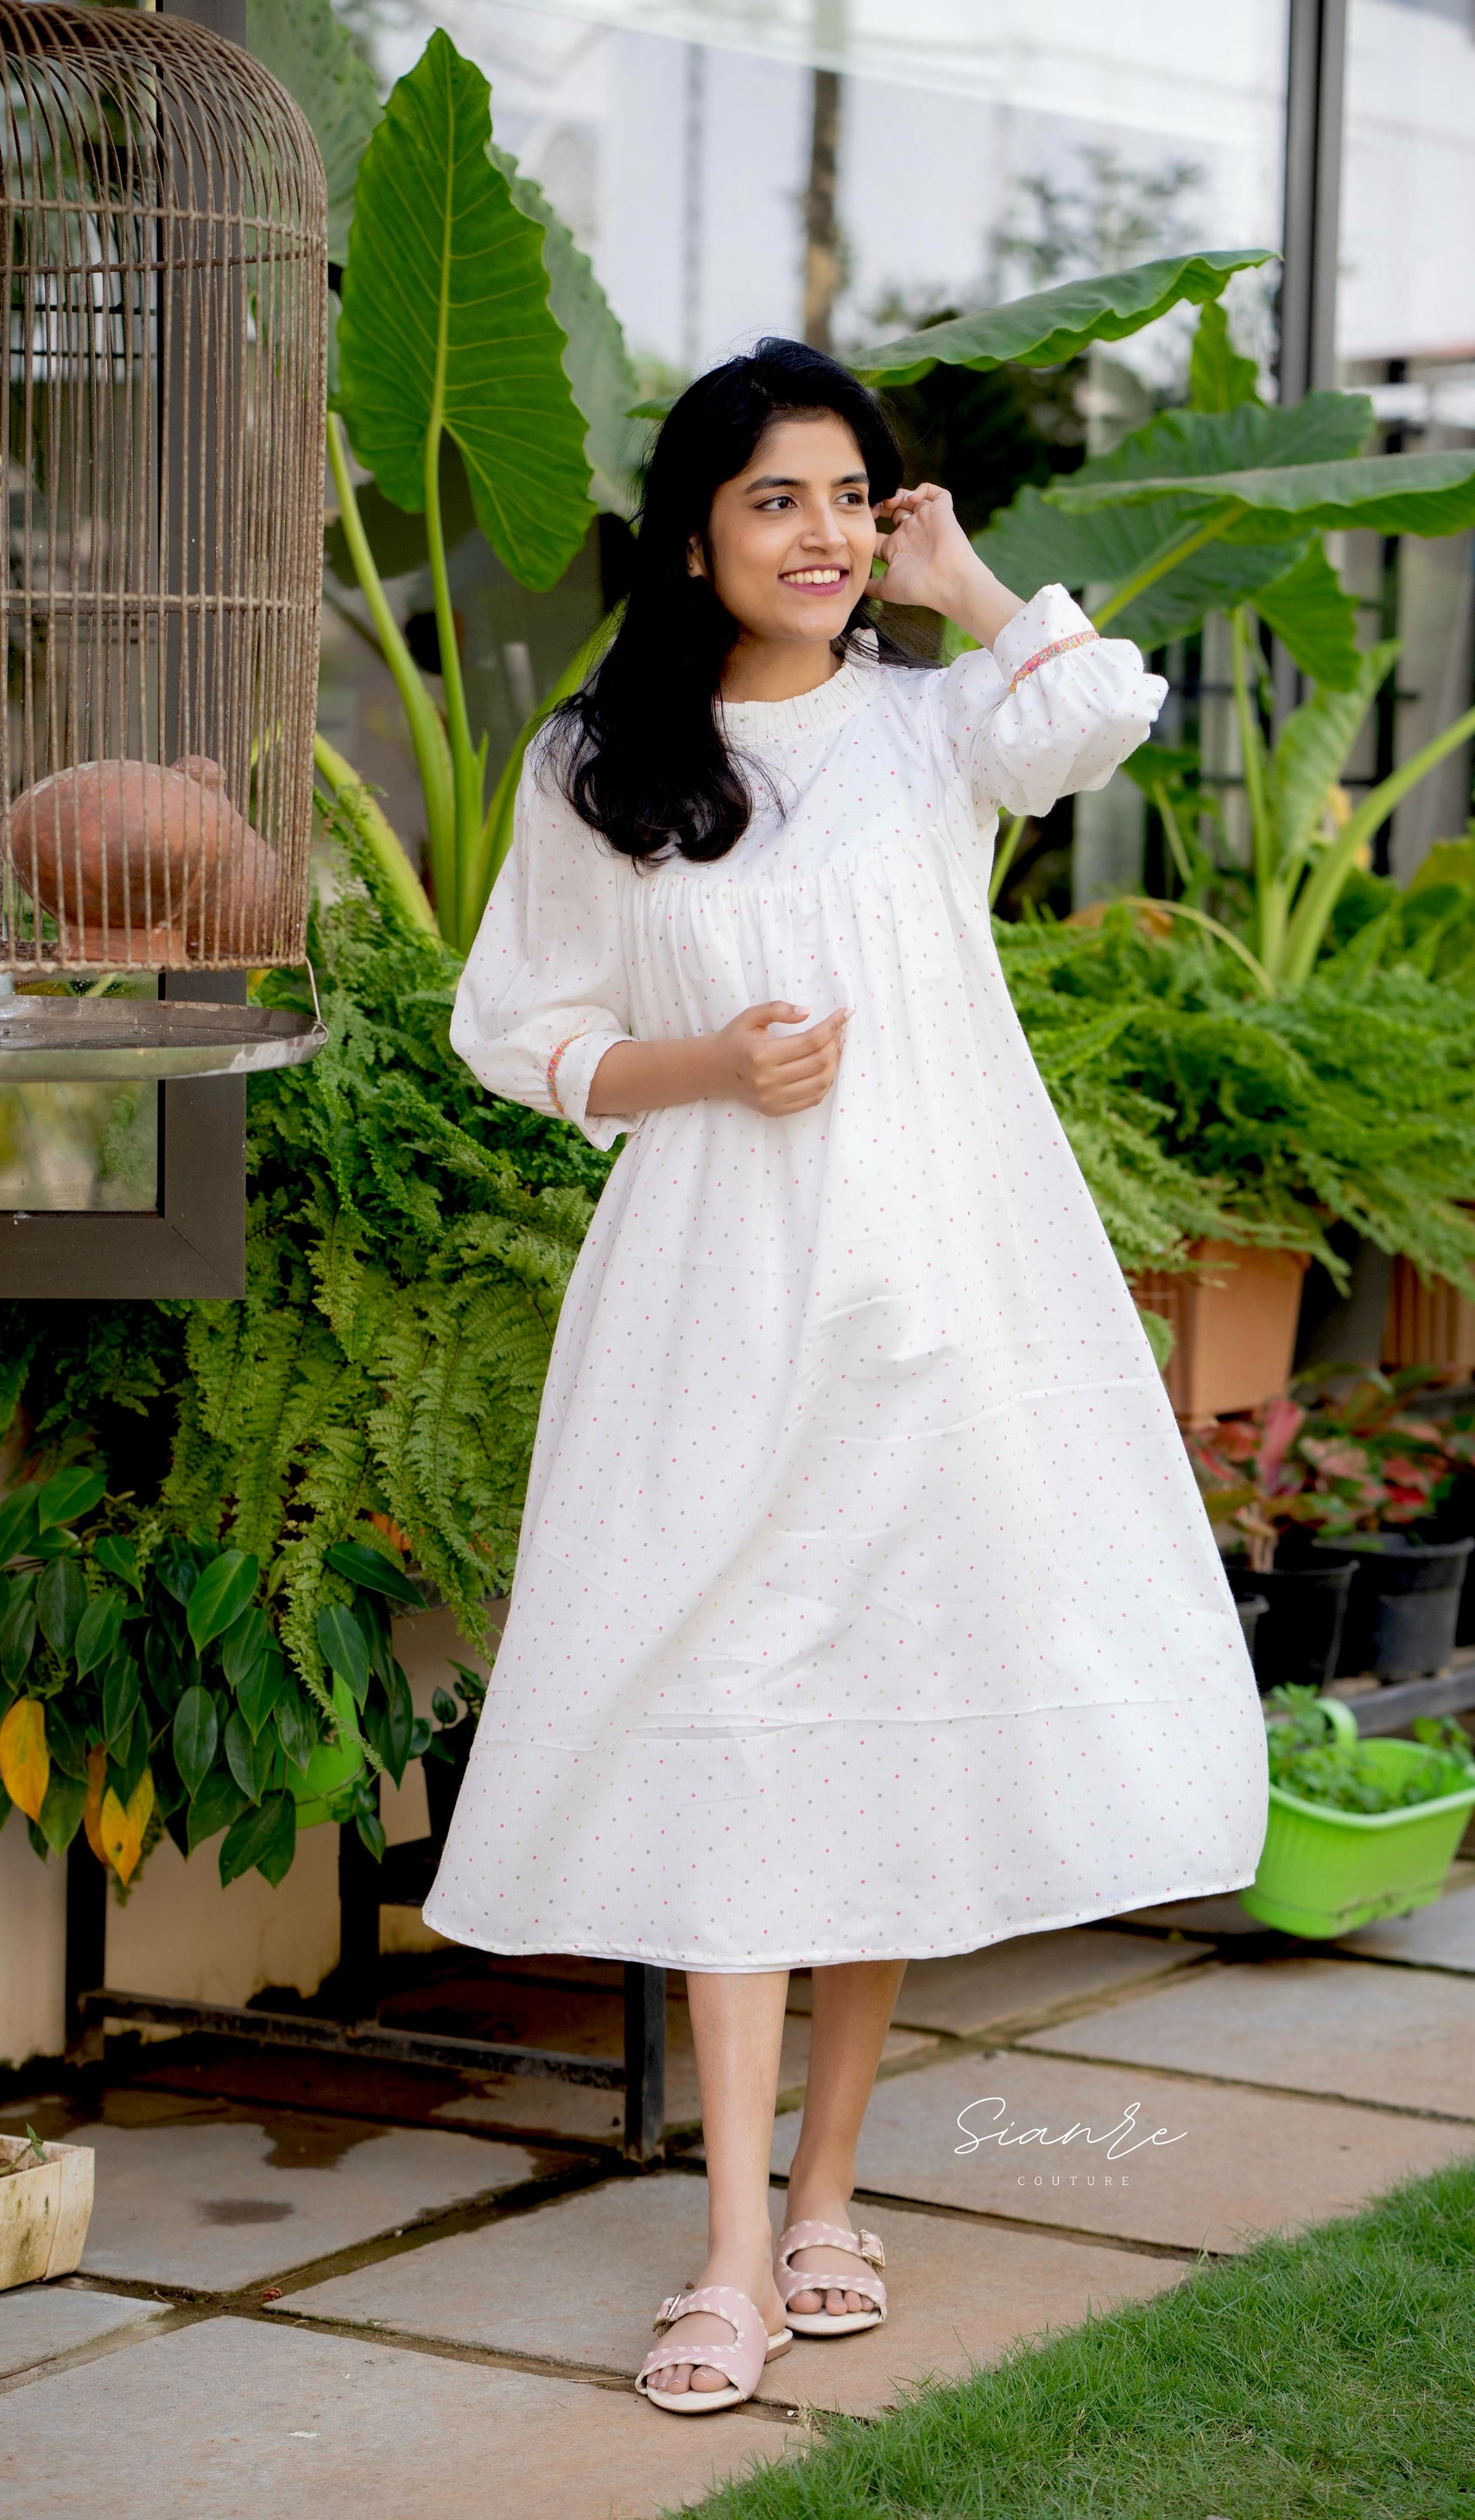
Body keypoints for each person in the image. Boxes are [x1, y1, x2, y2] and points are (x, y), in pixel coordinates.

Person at [421, 337, 1267, 2416]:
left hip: (940, 1286)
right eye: (770, 499)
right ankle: (724, 2243)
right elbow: (513, 1027)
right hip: (712, 1292)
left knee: (877, 1717)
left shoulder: (929, 721)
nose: (814, 535)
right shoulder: (597, 764)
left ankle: (822, 2199)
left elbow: (1096, 709)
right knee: (733, 1722)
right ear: (692, 537)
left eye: (844, 496)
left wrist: (959, 579)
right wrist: (706, 1064)